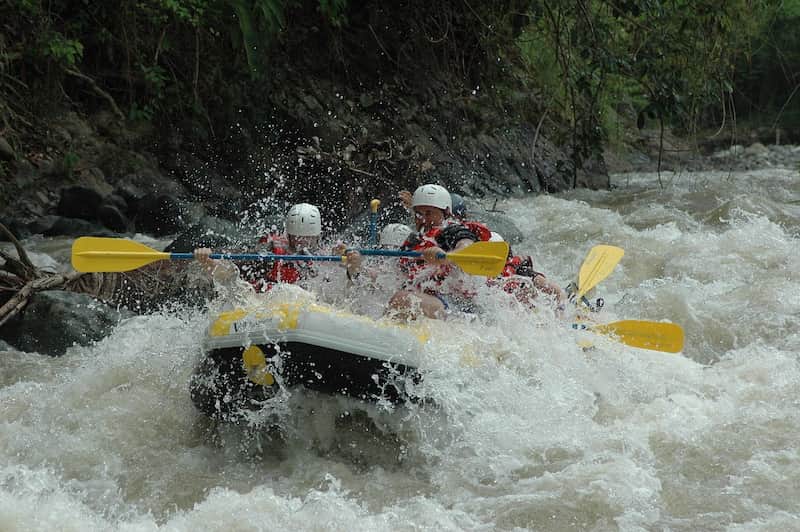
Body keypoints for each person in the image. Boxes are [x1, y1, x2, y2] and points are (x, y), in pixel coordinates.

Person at [194, 202, 361, 291]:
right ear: (288, 234)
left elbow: (345, 289)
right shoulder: (268, 252)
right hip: (268, 301)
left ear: (317, 236)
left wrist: (352, 265)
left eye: (307, 238)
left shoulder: (326, 255)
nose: (302, 241)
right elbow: (230, 271)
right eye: (297, 236)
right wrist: (209, 261)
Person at [387, 184, 479, 320]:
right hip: (425, 298)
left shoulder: (451, 231)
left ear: (445, 212)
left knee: (403, 299)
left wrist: (446, 257)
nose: (423, 219)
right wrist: (357, 267)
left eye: (429, 213)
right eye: (419, 214)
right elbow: (393, 274)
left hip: (456, 305)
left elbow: (467, 246)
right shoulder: (414, 240)